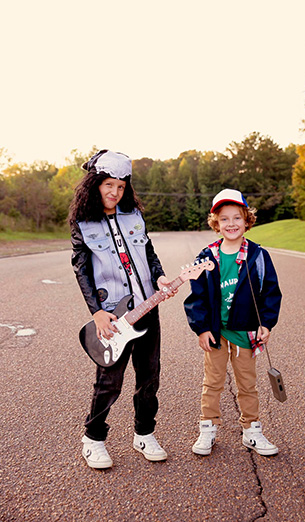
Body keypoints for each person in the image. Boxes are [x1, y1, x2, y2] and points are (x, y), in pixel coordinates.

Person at [70, 149, 176, 469]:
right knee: (109, 381)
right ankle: (94, 438)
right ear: (95, 185)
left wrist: (160, 277)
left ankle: (144, 434)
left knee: (149, 376)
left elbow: (150, 254)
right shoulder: (83, 222)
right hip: (113, 314)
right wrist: (97, 312)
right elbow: (81, 268)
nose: (114, 192)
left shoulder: (134, 217)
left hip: (147, 307)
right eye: (108, 185)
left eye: (120, 186)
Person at [184, 189, 282, 457]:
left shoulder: (258, 255)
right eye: (224, 218)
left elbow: (271, 293)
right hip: (216, 331)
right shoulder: (207, 256)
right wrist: (201, 327)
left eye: (237, 217)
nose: (231, 224)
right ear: (216, 222)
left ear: (247, 220)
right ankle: (208, 428)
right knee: (213, 381)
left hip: (245, 331)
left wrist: (267, 323)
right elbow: (197, 296)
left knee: (247, 384)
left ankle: (251, 430)